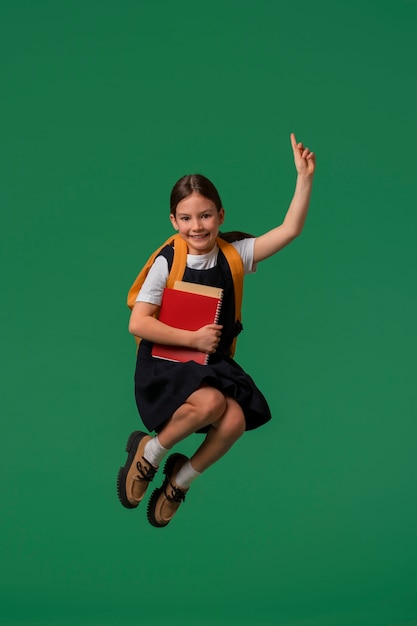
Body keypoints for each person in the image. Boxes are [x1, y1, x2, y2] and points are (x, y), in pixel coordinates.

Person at [117, 133, 316, 528]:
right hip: (167, 362)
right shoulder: (167, 261)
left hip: (210, 362)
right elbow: (137, 323)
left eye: (205, 216)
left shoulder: (233, 254)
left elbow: (289, 230)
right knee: (210, 405)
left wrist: (304, 177)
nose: (197, 226)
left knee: (235, 420)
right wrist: (192, 338)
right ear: (174, 221)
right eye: (187, 218)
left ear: (221, 216)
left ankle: (180, 480)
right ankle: (150, 452)